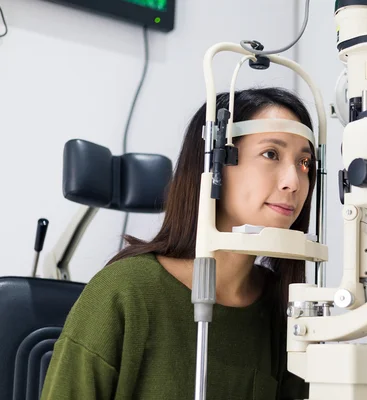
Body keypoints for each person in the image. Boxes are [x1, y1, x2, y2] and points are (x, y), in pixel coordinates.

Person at [41, 87, 317, 400]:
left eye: (304, 163)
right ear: (214, 166)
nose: (293, 182)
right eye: (271, 154)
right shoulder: (124, 292)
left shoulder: (282, 306)